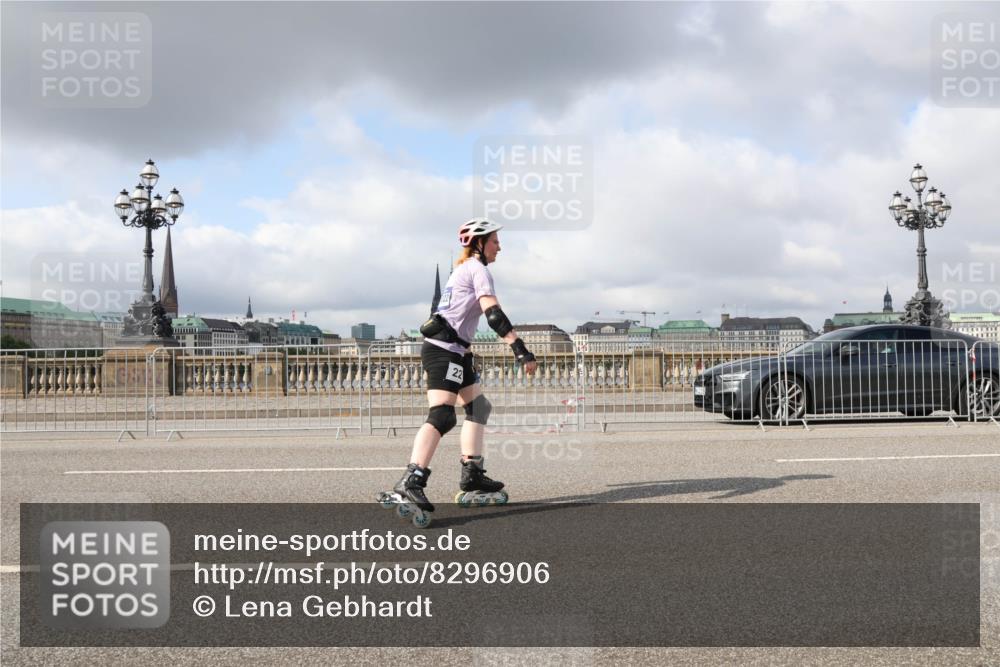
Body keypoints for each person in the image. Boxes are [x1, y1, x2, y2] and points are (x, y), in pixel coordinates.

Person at [386, 218, 538, 522]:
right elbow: (493, 314)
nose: (500, 246)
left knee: (479, 407)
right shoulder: (478, 269)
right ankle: (412, 480)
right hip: (444, 352)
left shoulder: (461, 270)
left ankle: (472, 474)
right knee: (442, 415)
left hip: (456, 352)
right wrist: (520, 349)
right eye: (495, 241)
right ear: (479, 243)